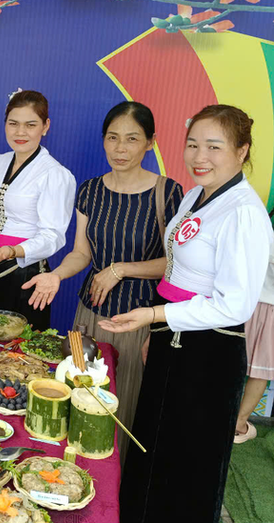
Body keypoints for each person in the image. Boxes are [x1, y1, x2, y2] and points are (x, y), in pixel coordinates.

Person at [99, 105, 273, 523]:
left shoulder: (244, 213)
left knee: (189, 464)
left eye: (214, 147)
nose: (200, 157)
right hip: (170, 337)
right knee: (152, 445)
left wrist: (155, 315)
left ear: (241, 150)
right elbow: (178, 267)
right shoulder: (198, 194)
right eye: (193, 144)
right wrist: (156, 328)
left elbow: (235, 304)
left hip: (208, 351)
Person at [21, 101, 183, 462]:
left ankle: (113, 493)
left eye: (131, 139)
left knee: (118, 406)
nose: (120, 148)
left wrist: (121, 269)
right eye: (112, 138)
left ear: (150, 143)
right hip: (86, 318)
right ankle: (71, 476)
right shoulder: (91, 190)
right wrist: (56, 275)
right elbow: (81, 253)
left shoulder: (167, 193)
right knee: (77, 391)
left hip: (138, 321)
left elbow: (175, 264)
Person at [0, 90, 75, 329]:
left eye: (30, 124)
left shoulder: (55, 174)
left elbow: (53, 237)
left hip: (27, 272)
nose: (20, 132)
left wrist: (11, 251)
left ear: (45, 126)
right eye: (13, 123)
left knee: (21, 352)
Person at [235, 241, 274, 444]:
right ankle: (238, 424)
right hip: (253, 300)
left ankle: (236, 422)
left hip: (245, 298)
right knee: (260, 370)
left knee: (253, 366)